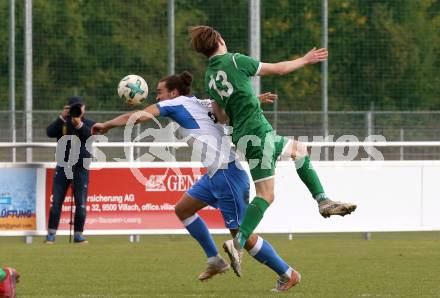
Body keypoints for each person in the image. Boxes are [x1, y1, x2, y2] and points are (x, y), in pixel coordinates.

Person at [92, 71, 299, 292]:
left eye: (160, 92)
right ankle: (215, 260)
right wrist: (254, 99)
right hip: (215, 175)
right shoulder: (199, 102)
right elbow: (229, 107)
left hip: (227, 174)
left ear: (173, 92)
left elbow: (139, 116)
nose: (157, 97)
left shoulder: (176, 104)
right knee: (183, 209)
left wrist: (107, 125)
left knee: (241, 238)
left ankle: (287, 273)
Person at [188, 25, 357, 282]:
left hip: (243, 137)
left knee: (299, 150)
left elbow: (222, 115)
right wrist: (305, 59)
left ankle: (323, 201)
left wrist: (251, 100)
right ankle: (239, 241)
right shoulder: (235, 59)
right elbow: (279, 69)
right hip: (258, 133)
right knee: (267, 195)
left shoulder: (210, 77)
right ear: (220, 39)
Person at [45, 96, 95, 244]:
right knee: (57, 202)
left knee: (81, 203)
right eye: (74, 107)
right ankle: (51, 235)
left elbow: (89, 136)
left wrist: (78, 123)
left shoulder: (88, 123)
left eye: (79, 107)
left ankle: (78, 235)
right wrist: (61, 117)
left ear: (84, 108)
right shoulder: (63, 122)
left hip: (80, 167)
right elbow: (49, 132)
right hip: (63, 166)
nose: (77, 110)